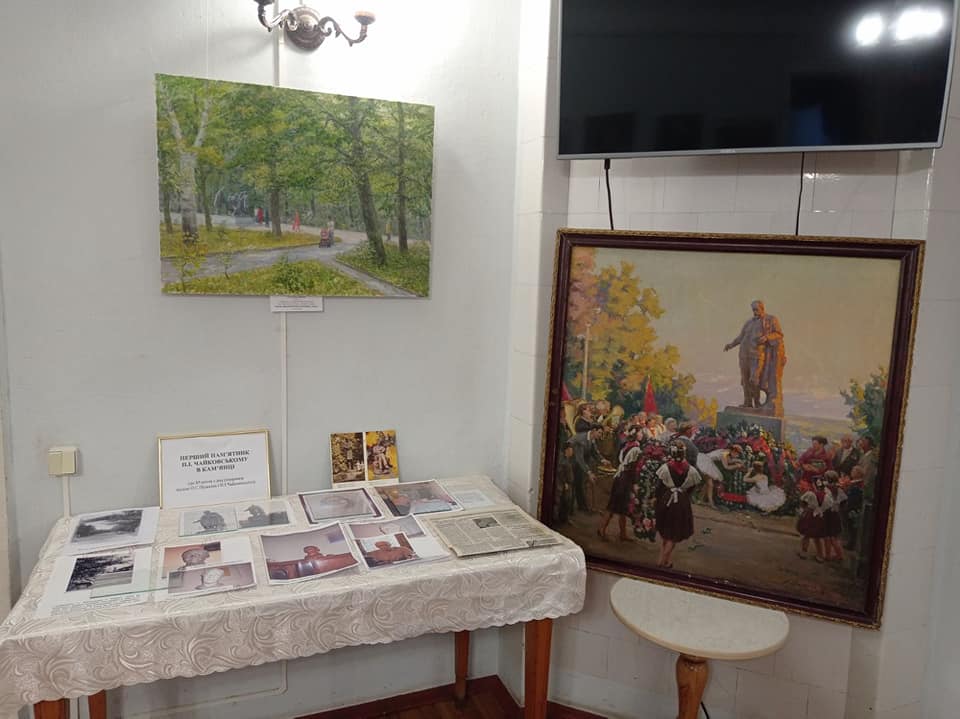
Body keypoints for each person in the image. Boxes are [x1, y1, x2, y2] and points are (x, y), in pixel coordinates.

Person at [723, 300, 787, 415]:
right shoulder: (749, 323)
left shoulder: (771, 319)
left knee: (754, 379)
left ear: (762, 308)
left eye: (756, 310)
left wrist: (767, 337)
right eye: (753, 310)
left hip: (758, 355)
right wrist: (731, 345)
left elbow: (779, 334)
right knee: (745, 380)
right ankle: (748, 402)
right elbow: (741, 337)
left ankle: (757, 403)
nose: (754, 312)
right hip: (744, 355)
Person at [654, 441, 703, 568]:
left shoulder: (666, 468)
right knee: (674, 534)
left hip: (667, 500)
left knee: (667, 532)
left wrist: (658, 499)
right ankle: (663, 561)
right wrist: (684, 493)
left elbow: (659, 488)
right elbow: (692, 488)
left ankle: (664, 560)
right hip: (681, 502)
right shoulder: (691, 470)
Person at [598, 432, 641, 541]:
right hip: (625, 480)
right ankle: (602, 529)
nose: (641, 434)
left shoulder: (626, 446)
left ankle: (622, 533)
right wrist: (635, 483)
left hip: (620, 477)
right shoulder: (636, 449)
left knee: (622, 507)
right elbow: (633, 468)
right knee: (615, 505)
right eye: (639, 432)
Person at [569, 427, 605, 513]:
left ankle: (581, 507)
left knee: (579, 484)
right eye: (599, 433)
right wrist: (589, 472)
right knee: (572, 485)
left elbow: (594, 452)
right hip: (570, 463)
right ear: (594, 430)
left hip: (578, 464)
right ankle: (570, 510)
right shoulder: (581, 439)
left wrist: (602, 460)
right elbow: (579, 459)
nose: (600, 435)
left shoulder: (592, 438)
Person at [797, 478, 833, 562]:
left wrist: (805, 508)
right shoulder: (827, 497)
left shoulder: (810, 494)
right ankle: (820, 555)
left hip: (810, 515)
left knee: (807, 535)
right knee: (817, 537)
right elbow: (829, 507)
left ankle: (804, 552)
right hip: (820, 517)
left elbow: (802, 501)